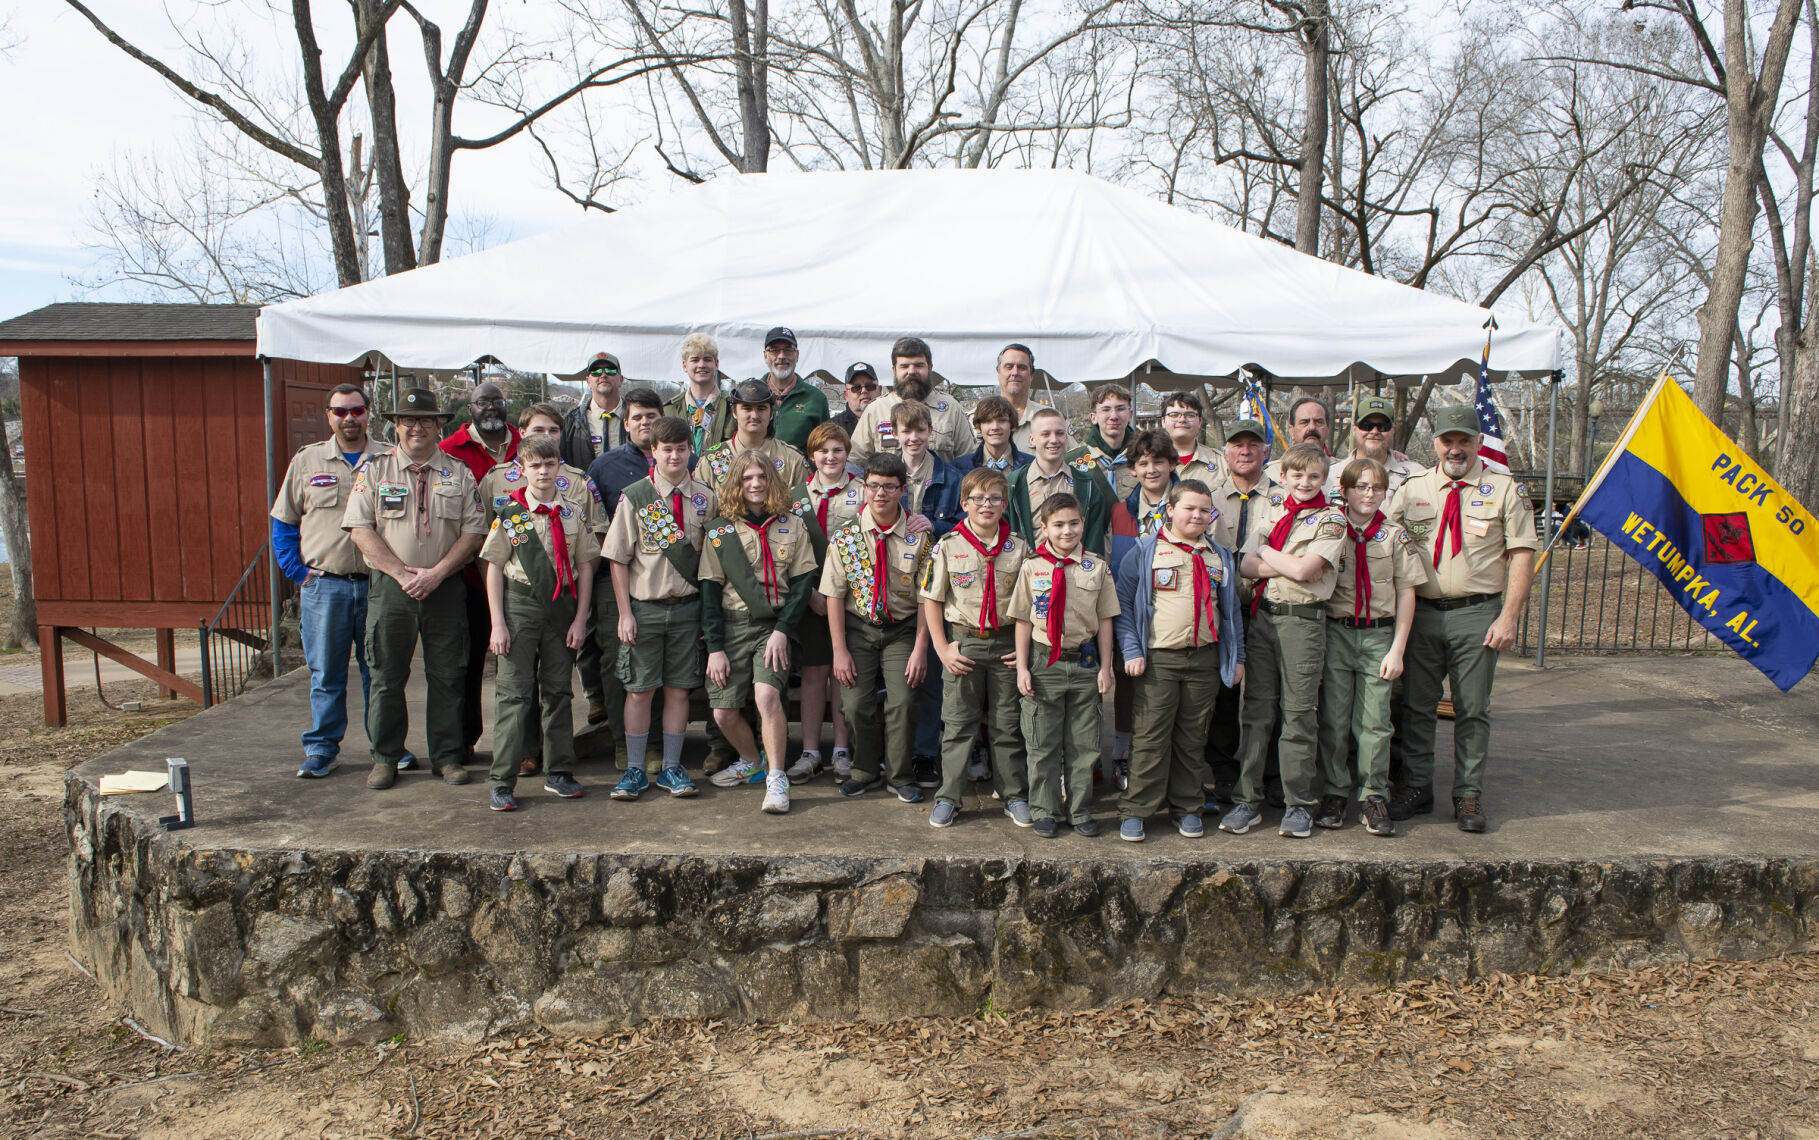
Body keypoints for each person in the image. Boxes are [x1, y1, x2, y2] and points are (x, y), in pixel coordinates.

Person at [1386, 404, 1538, 832]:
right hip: (1421, 614)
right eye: (1447, 441)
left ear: (1477, 443)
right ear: (1435, 443)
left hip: (1477, 613)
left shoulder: (1505, 489)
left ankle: (1468, 795)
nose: (1455, 449)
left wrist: (1509, 617)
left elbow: (1523, 553)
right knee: (1416, 707)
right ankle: (1417, 787)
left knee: (1472, 709)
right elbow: (1383, 544)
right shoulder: (1413, 488)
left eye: (1464, 441)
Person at [343, 387, 486, 789]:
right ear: (396, 425)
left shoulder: (457, 472)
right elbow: (360, 530)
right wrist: (403, 575)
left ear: (439, 425)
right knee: (387, 676)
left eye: (426, 419)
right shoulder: (375, 470)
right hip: (392, 589)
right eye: (409, 420)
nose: (417, 427)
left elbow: (473, 532)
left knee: (448, 675)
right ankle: (386, 757)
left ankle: (447, 756)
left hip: (444, 588)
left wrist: (437, 573)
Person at [1222, 442, 1349, 839]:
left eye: (1313, 476)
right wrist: (1280, 562)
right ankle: (1248, 799)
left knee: (1297, 715)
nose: (1305, 482)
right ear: (1285, 476)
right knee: (1257, 713)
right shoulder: (1272, 510)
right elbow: (1244, 565)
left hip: (1302, 624)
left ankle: (1298, 804)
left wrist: (1266, 553)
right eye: (1297, 475)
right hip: (1264, 619)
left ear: (1324, 478)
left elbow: (1308, 569)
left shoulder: (1331, 520)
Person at [478, 403, 610, 772]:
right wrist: (497, 623)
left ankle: (560, 770)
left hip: (562, 607)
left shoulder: (572, 512)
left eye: (549, 465)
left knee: (558, 693)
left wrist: (581, 619)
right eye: (535, 465)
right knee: (514, 695)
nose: (543, 471)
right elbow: (493, 568)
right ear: (521, 469)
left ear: (558, 467)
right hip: (519, 606)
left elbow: (585, 566)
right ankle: (503, 777)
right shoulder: (512, 514)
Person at [1113, 479, 1244, 842]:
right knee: (1151, 735)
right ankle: (1137, 808)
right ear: (1170, 510)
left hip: (1204, 658)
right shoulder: (1145, 551)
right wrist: (1132, 651)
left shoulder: (1219, 556)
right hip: (1159, 659)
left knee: (1193, 736)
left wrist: (1238, 657)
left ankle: (1187, 806)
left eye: (1205, 510)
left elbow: (1230, 612)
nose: (1197, 515)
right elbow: (1124, 606)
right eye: (1189, 508)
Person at [271, 383, 389, 778]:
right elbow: (284, 520)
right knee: (326, 673)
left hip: (377, 584)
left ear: (368, 413)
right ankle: (322, 748)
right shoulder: (307, 462)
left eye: (357, 410)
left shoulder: (389, 458)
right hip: (326, 585)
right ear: (329, 415)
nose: (350, 418)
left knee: (381, 671)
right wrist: (297, 571)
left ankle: (386, 746)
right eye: (341, 412)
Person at [601, 415, 717, 801]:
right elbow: (618, 558)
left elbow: (712, 560)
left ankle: (671, 767)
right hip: (644, 608)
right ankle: (635, 769)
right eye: (666, 449)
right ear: (654, 452)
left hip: (687, 608)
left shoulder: (704, 497)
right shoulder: (636, 497)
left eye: (681, 449)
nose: (674, 456)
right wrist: (624, 613)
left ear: (690, 451)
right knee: (640, 690)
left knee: (679, 690)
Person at [1313, 457, 1427, 836]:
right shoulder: (1330, 530)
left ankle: (1373, 793)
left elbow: (1406, 592)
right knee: (1334, 717)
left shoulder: (1394, 535)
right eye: (1360, 486)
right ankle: (1333, 791)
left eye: (1376, 487)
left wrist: (1397, 648)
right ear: (1343, 490)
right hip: (1337, 632)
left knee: (1376, 720)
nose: (1368, 493)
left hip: (1378, 634)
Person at [700, 450, 818, 813]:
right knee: (723, 713)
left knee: (767, 698)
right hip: (732, 627)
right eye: (747, 478)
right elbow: (709, 592)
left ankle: (777, 778)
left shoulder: (792, 525)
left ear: (772, 481)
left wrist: (784, 630)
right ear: (736, 482)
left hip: (774, 627)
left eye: (762, 477)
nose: (755, 484)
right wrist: (715, 648)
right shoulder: (720, 530)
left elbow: (801, 586)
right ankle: (752, 761)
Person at [920, 467, 1032, 828]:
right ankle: (949, 796)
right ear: (964, 503)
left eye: (995, 498)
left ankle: (1013, 794)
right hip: (964, 643)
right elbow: (931, 600)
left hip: (1006, 645)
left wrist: (1024, 649)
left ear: (1004, 504)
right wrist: (942, 649)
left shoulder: (1018, 547)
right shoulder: (948, 546)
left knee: (1007, 724)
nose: (987, 505)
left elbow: (1030, 603)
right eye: (979, 498)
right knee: (958, 724)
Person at [821, 453, 931, 801]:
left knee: (903, 701)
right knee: (854, 703)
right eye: (872, 486)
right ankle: (864, 769)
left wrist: (919, 649)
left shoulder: (919, 537)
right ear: (863, 487)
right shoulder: (847, 537)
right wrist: (839, 651)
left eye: (888, 487)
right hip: (858, 629)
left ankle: (900, 775)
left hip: (902, 629)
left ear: (902, 490)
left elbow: (928, 597)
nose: (879, 493)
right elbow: (835, 597)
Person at [1009, 493, 1118, 838]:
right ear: (1044, 528)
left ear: (1083, 524)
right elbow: (1023, 621)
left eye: (1073, 523)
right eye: (1058, 524)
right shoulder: (1031, 566)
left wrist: (1106, 667)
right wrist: (1023, 667)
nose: (1067, 530)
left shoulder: (1097, 567)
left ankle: (1080, 809)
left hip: (1085, 662)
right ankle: (1044, 808)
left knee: (1084, 743)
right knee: (1042, 741)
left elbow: (1104, 620)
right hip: (1044, 663)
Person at [440, 380, 522, 769]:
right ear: (468, 408)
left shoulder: (528, 445)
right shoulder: (449, 452)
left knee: (524, 669)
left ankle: (526, 747)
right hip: (471, 579)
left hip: (526, 580)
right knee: (468, 665)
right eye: (481, 402)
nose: (490, 408)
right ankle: (463, 740)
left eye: (496, 401)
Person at [1204, 418, 1280, 806]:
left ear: (1266, 451)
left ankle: (1270, 772)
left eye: (1254, 445)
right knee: (1223, 691)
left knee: (1268, 694)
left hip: (1268, 607)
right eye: (1238, 445)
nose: (1246, 451)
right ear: (1226, 453)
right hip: (1222, 610)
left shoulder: (1284, 499)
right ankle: (1223, 771)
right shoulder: (1210, 500)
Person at [788, 421, 865, 784]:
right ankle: (810, 751)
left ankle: (841, 750)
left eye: (837, 450)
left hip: (851, 600)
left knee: (844, 675)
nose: (830, 457)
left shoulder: (864, 493)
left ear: (847, 453)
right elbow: (785, 552)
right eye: (823, 451)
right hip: (812, 598)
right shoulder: (794, 496)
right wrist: (809, 595)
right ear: (812, 456)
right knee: (814, 673)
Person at [849, 336, 976, 461]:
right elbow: (855, 462)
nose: (911, 371)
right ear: (894, 370)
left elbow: (967, 462)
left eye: (919, 365)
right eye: (904, 366)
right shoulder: (876, 410)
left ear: (930, 368)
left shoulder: (951, 409)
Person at [1008, 408, 1110, 555]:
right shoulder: (1013, 483)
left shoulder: (1086, 484)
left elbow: (1095, 538)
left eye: (1060, 433)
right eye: (1045, 434)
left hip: (1075, 571)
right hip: (1029, 571)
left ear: (1066, 437)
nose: (1054, 440)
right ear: (1032, 439)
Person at [699, 378, 808, 490]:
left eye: (761, 409)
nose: (754, 415)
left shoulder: (793, 461)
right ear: (734, 412)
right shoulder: (711, 461)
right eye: (747, 408)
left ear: (771, 413)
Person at [1326, 395, 1424, 503]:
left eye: (1383, 426)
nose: (1374, 431)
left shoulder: (1416, 476)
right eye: (1366, 425)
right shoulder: (1329, 476)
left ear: (1393, 431)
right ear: (1354, 430)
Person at [587, 387, 668, 509]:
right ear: (626, 424)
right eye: (637, 418)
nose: (645, 422)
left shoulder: (685, 461)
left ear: (663, 418)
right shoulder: (602, 468)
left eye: (651, 416)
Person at [759, 326, 831, 454]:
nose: (781, 356)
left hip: (800, 472)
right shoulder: (751, 395)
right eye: (774, 350)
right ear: (765, 355)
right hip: (758, 472)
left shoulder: (816, 398)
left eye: (788, 350)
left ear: (796, 355)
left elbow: (824, 447)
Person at [664, 333, 736, 452]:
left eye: (707, 359)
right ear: (684, 365)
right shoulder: (669, 410)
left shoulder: (732, 408)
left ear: (716, 364)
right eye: (695, 360)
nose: (701, 365)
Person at [560, 351, 629, 472]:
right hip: (585, 490)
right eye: (596, 371)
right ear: (588, 381)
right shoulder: (572, 421)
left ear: (621, 379)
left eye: (610, 370)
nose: (603, 375)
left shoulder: (636, 417)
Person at [1071, 384, 1137, 498]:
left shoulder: (1145, 457)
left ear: (1130, 414)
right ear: (1093, 417)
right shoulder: (1074, 461)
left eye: (1120, 408)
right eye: (1106, 409)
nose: (1114, 416)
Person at [952, 395, 1032, 475]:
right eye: (988, 421)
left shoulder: (1031, 465)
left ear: (1013, 425)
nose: (995, 427)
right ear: (978, 427)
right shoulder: (959, 468)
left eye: (1002, 421)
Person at [1159, 392, 1225, 486]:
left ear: (1200, 421)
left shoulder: (1222, 463)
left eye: (1190, 415)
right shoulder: (1149, 462)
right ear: (1163, 421)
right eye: (1174, 415)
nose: (1182, 420)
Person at [1265, 396, 1333, 483]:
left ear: (1328, 429)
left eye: (1318, 422)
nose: (1312, 427)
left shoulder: (1342, 470)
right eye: (1304, 422)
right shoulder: (1270, 474)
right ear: (1292, 430)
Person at [993, 343, 1042, 449]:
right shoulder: (975, 420)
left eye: (1022, 368)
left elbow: (1077, 461)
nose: (1015, 373)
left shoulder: (1051, 419)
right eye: (1009, 367)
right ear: (998, 373)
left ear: (1031, 376)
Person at [831, 361, 880, 435]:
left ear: (880, 390)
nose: (864, 391)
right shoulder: (831, 428)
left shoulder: (894, 421)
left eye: (870, 386)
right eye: (856, 388)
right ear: (846, 395)